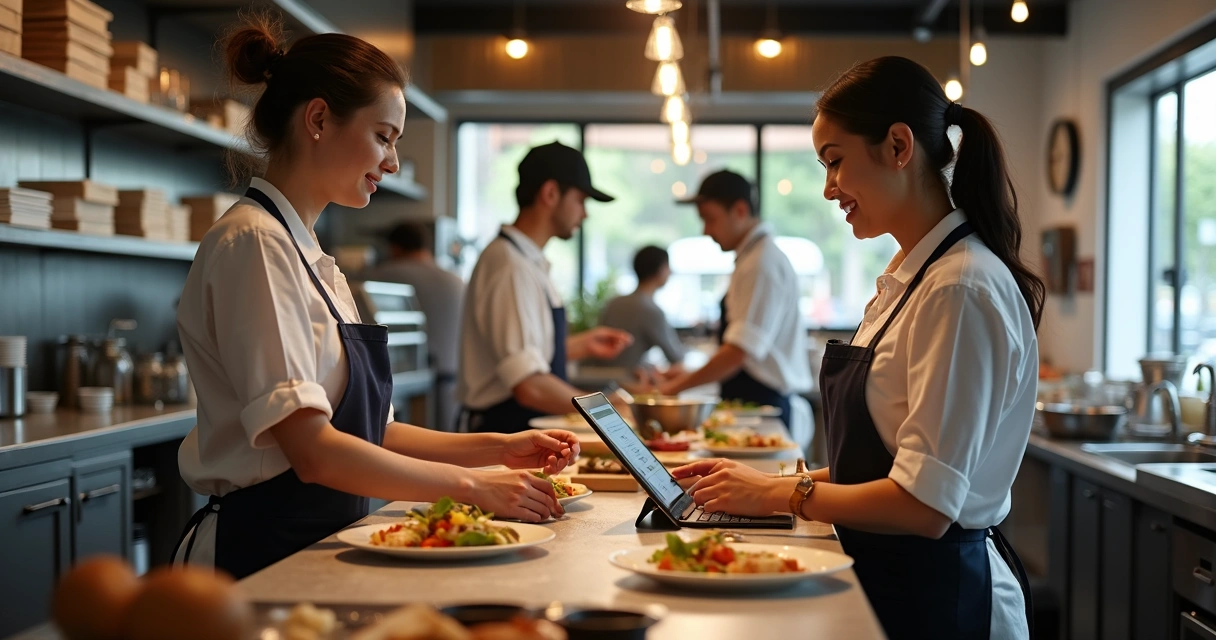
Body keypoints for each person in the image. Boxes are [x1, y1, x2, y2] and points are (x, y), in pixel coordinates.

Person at [172, 17, 577, 580]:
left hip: (319, 544)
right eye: (384, 136)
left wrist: (498, 448)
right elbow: (313, 451)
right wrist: (475, 486)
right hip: (260, 552)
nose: (391, 162)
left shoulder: (310, 254)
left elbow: (371, 432)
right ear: (318, 119)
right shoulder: (254, 245)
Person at [671, 56, 1045, 640]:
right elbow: (888, 464)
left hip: (941, 598)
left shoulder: (959, 289)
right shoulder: (914, 278)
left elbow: (924, 505)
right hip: (894, 580)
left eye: (835, 161)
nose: (828, 189)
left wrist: (781, 493)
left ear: (899, 145)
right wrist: (757, 486)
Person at [458, 141, 634, 434]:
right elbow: (530, 386)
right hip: (504, 430)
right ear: (550, 193)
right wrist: (606, 409)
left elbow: (522, 351)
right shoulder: (510, 266)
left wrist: (580, 345)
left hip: (522, 428)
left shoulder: (527, 261)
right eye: (580, 200)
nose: (585, 214)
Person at [658, 170, 813, 440]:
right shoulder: (754, 258)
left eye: (710, 219)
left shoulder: (761, 263)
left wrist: (670, 390)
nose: (706, 231)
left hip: (762, 405)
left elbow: (739, 352)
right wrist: (687, 374)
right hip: (752, 401)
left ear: (740, 210)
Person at [360, 222, 465, 432]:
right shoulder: (455, 279)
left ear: (395, 248)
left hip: (413, 385)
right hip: (455, 383)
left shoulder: (385, 273)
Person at [587, 245, 686, 380]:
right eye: (668, 266)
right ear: (661, 270)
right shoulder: (651, 310)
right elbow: (676, 357)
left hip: (597, 381)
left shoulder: (614, 302)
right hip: (627, 384)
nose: (671, 272)